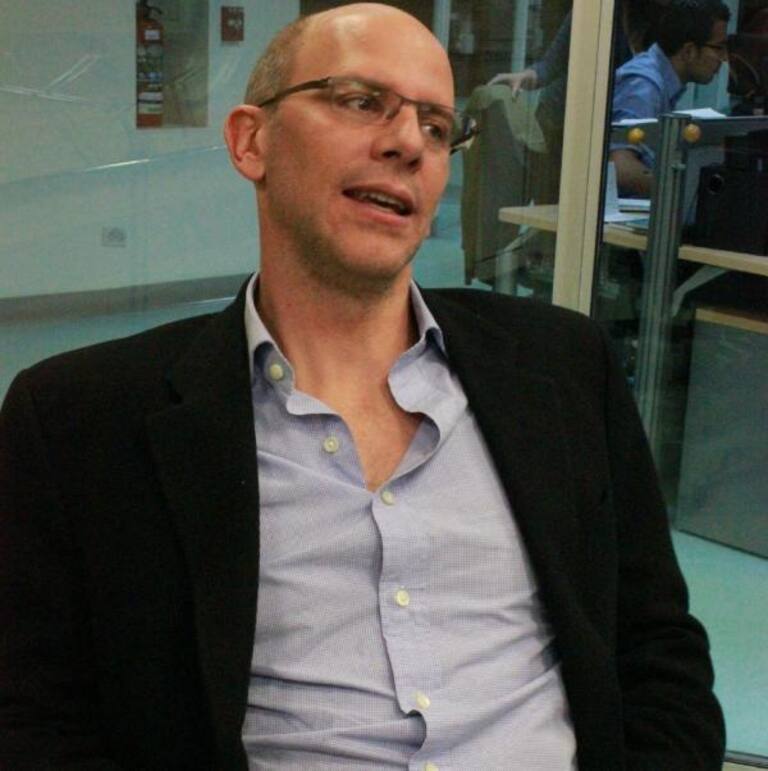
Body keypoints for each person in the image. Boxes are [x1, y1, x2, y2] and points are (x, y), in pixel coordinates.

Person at [0, 4, 725, 769]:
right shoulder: (77, 423)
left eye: (436, 127)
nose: (408, 141)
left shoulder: (563, 369)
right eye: (358, 101)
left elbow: (660, 655)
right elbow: (33, 720)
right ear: (251, 141)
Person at [611, 0, 731, 196]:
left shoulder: (662, 82)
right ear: (689, 51)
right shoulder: (644, 86)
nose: (724, 58)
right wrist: (680, 193)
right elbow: (621, 167)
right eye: (718, 48)